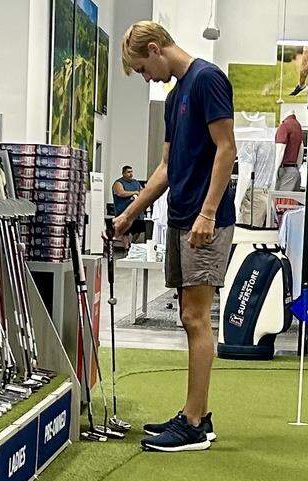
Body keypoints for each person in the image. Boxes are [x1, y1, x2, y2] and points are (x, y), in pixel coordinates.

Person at [111, 21, 236, 453]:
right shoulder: (174, 96)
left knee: (196, 318)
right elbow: (166, 168)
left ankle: (194, 424)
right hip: (182, 218)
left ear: (154, 49)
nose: (146, 77)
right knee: (187, 317)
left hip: (205, 220)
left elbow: (227, 149)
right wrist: (130, 214)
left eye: (143, 69)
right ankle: (195, 413)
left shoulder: (207, 79)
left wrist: (208, 212)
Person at [112, 165, 147, 241]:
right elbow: (121, 193)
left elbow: (141, 191)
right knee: (125, 232)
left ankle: (132, 244)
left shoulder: (135, 182)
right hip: (124, 212)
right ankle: (126, 246)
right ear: (123, 173)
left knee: (138, 231)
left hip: (136, 213)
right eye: (128, 172)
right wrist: (134, 192)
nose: (131, 174)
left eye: (131, 172)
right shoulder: (118, 183)